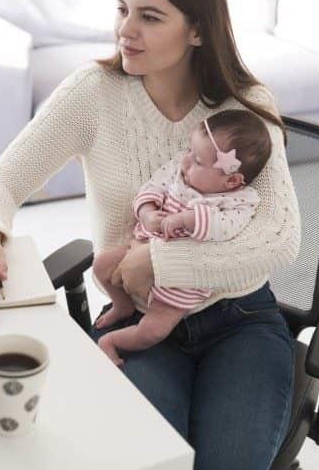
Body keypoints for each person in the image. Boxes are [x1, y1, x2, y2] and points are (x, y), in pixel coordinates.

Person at [0, 0, 301, 470]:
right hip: (136, 318)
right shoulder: (93, 93)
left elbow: (279, 236)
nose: (125, 29)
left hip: (240, 320)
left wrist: (160, 260)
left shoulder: (247, 106)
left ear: (197, 29)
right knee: (144, 460)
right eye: (122, 9)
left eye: (149, 16)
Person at [94, 109, 271, 366]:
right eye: (190, 151)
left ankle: (111, 341)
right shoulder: (178, 172)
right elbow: (151, 188)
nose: (186, 161)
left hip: (183, 284)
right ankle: (123, 305)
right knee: (101, 265)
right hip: (140, 249)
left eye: (198, 160)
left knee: (152, 331)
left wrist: (188, 219)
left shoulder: (239, 200)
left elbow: (227, 228)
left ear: (231, 180)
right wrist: (147, 213)